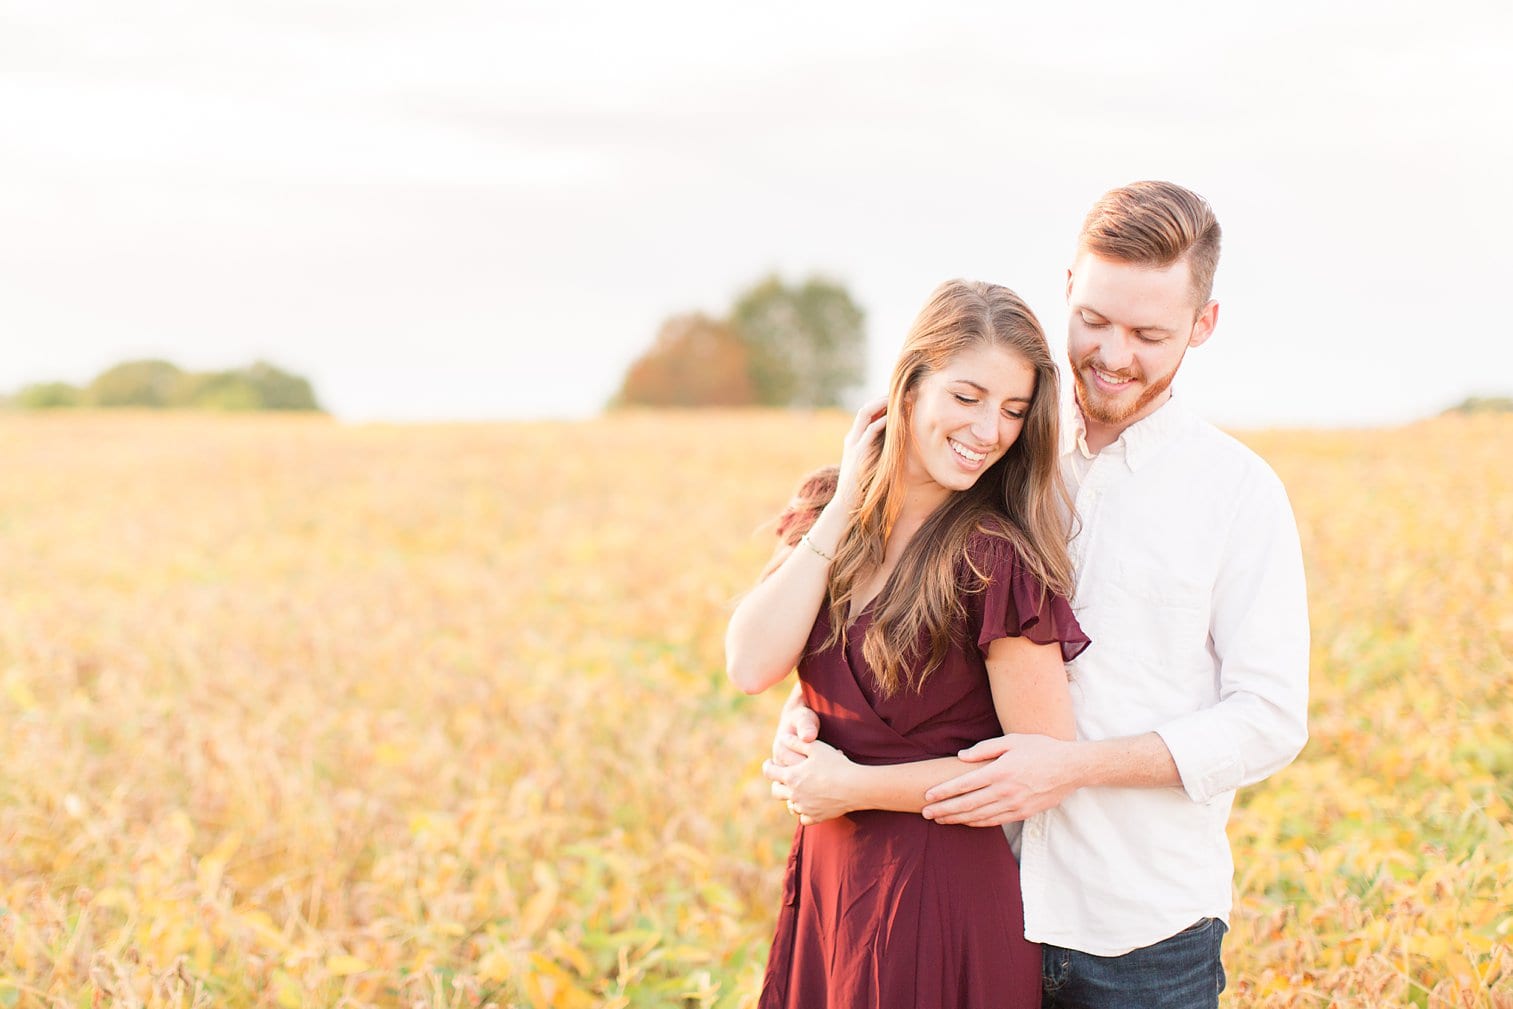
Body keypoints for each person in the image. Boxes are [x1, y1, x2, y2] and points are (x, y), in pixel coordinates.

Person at [766, 181, 1310, 1009]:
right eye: (1094, 320)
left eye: (1149, 333)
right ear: (1066, 288)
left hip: (1140, 933)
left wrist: (1072, 767)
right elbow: (892, 609)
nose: (1113, 353)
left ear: (1202, 326)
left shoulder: (1236, 493)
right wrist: (820, 710)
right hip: (979, 907)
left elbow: (1269, 718)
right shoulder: (997, 452)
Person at [726, 280, 1091, 1009]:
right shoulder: (830, 514)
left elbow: (1041, 764)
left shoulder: (993, 559)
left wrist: (850, 787)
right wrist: (843, 505)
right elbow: (749, 663)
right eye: (967, 396)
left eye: (1013, 410)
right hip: (831, 883)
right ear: (909, 385)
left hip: (941, 895)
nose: (988, 429)